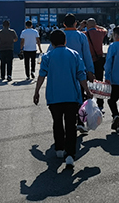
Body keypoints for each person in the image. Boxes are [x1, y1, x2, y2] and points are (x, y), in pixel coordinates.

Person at [33, 29, 92, 168]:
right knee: (71, 125)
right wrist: (87, 91)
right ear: (65, 41)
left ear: (51, 43)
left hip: (54, 96)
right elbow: (81, 75)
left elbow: (41, 75)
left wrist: (36, 92)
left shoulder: (47, 56)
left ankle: (59, 149)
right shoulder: (75, 54)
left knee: (57, 122)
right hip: (72, 96)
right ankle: (70, 155)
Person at [47, 13, 95, 133]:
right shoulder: (81, 36)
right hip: (79, 72)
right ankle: (80, 122)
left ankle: (65, 125)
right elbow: (87, 55)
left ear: (64, 24)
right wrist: (90, 70)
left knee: (65, 98)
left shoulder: (59, 35)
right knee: (80, 97)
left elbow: (49, 54)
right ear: (75, 23)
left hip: (61, 73)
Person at [85, 18, 108, 110]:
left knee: (88, 82)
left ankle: (89, 101)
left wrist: (82, 26)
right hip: (99, 60)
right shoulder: (100, 32)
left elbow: (75, 33)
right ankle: (100, 103)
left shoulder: (85, 34)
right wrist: (96, 26)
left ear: (87, 25)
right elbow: (105, 29)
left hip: (89, 61)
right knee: (99, 81)